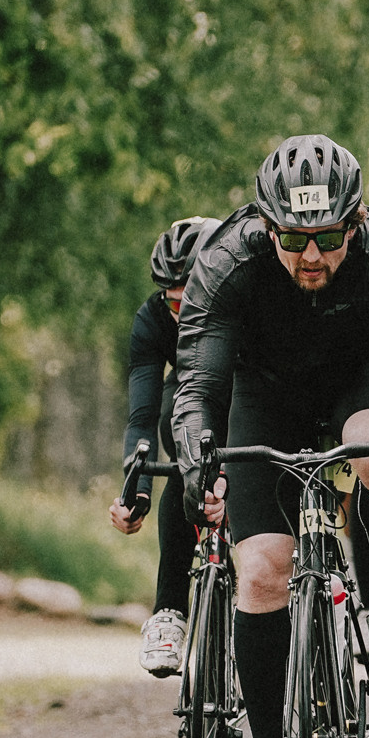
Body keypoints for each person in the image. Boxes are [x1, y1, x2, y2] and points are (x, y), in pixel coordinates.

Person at [172, 137, 369, 738]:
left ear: (354, 224)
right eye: (294, 239)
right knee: (260, 570)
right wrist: (197, 454)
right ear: (267, 226)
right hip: (263, 399)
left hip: (359, 389)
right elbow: (197, 384)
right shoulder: (226, 262)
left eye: (327, 238)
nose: (312, 256)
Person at [110, 215, 219, 676]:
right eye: (171, 300)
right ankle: (169, 611)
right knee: (180, 454)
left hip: (246, 392)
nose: (179, 310)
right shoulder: (152, 319)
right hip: (188, 395)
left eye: (189, 298)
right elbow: (141, 414)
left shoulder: (248, 304)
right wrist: (134, 492)